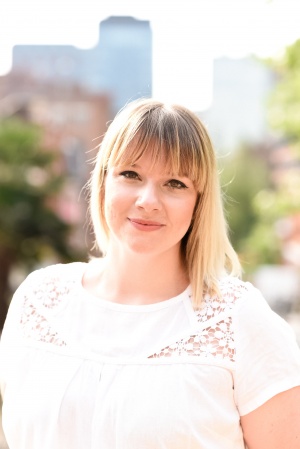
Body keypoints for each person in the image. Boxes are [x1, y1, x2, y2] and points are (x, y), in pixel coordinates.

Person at [0, 98, 300, 449]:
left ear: (198, 201)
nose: (148, 199)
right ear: (103, 181)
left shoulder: (238, 319)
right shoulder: (38, 300)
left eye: (174, 183)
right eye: (131, 174)